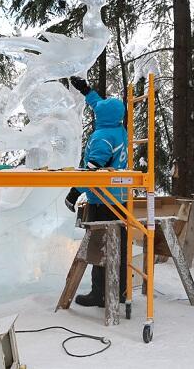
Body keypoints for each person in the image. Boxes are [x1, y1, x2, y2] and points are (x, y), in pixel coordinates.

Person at [64, 75, 129, 307]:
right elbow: (100, 106)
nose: (95, 111)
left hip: (103, 201)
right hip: (120, 200)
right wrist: (86, 90)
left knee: (99, 247)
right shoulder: (119, 130)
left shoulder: (102, 137)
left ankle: (100, 293)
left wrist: (75, 192)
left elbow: (93, 172)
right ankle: (119, 290)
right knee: (118, 246)